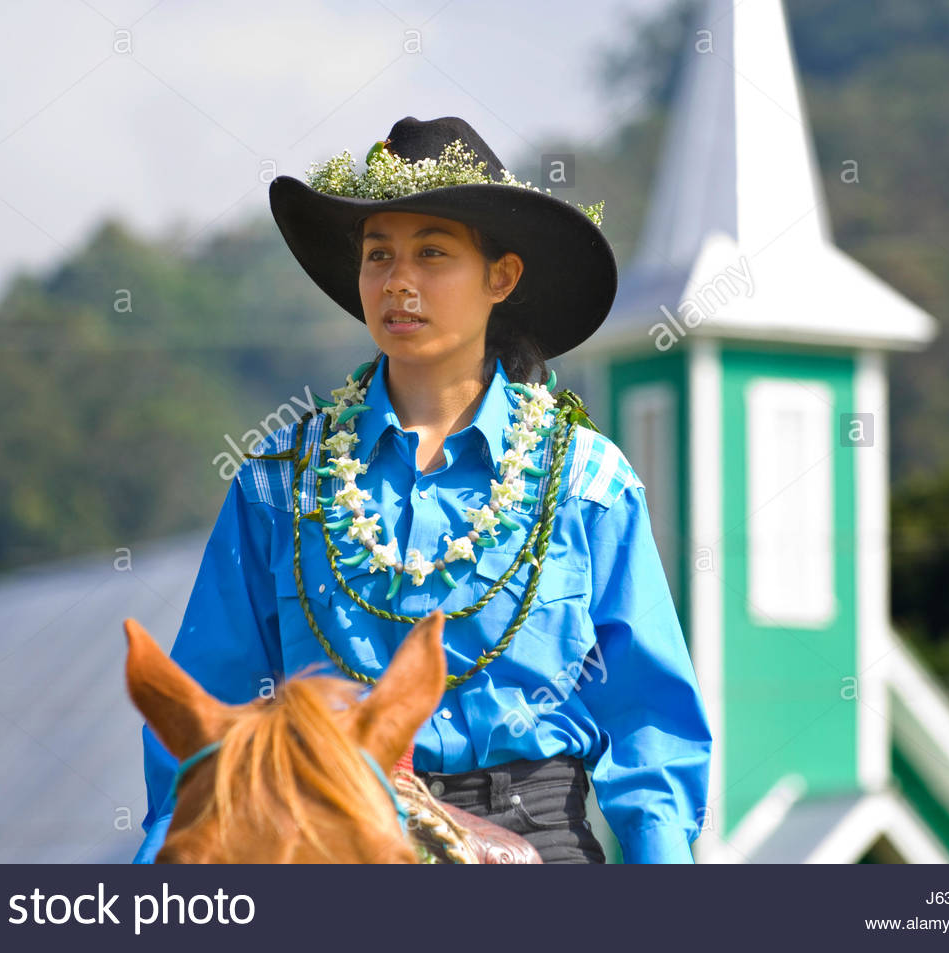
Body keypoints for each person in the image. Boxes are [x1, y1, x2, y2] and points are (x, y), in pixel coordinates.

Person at [133, 116, 711, 864]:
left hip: (536, 845)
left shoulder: (584, 481)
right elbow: (204, 722)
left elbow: (646, 719)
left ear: (501, 278)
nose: (397, 282)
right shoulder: (280, 484)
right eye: (379, 255)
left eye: (432, 253)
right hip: (332, 837)